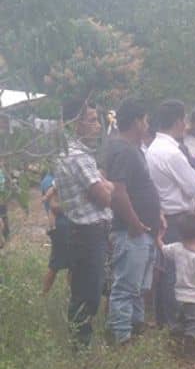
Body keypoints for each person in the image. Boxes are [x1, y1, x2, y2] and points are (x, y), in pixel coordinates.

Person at [54, 98, 113, 346]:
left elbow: (102, 188)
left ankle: (81, 343)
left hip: (83, 233)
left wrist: (102, 184)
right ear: (75, 124)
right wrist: (104, 186)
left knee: (86, 289)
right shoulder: (79, 157)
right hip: (88, 234)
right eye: (91, 120)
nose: (98, 126)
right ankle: (81, 347)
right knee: (88, 293)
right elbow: (105, 197)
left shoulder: (70, 153)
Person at [105, 97, 162, 345]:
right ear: (137, 121)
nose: (147, 124)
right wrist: (134, 223)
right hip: (132, 232)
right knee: (126, 287)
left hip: (144, 230)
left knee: (138, 287)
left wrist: (156, 216)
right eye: (145, 119)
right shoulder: (125, 150)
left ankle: (135, 329)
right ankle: (120, 337)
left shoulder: (134, 149)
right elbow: (118, 191)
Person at [146, 100, 195, 333]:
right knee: (175, 274)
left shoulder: (153, 149)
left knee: (165, 272)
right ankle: (175, 326)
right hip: (175, 217)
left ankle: (165, 322)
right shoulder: (172, 153)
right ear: (179, 121)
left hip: (162, 216)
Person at [159, 212, 195, 360]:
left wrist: (159, 237)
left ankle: (176, 344)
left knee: (181, 322)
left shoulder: (176, 249)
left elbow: (163, 249)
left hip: (178, 295)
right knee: (194, 323)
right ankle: (191, 350)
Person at [40, 173, 70, 295]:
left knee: (73, 263)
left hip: (65, 226)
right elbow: (53, 206)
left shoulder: (55, 178)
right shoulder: (50, 180)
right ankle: (43, 294)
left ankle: (70, 294)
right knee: (56, 264)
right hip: (60, 227)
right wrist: (73, 206)